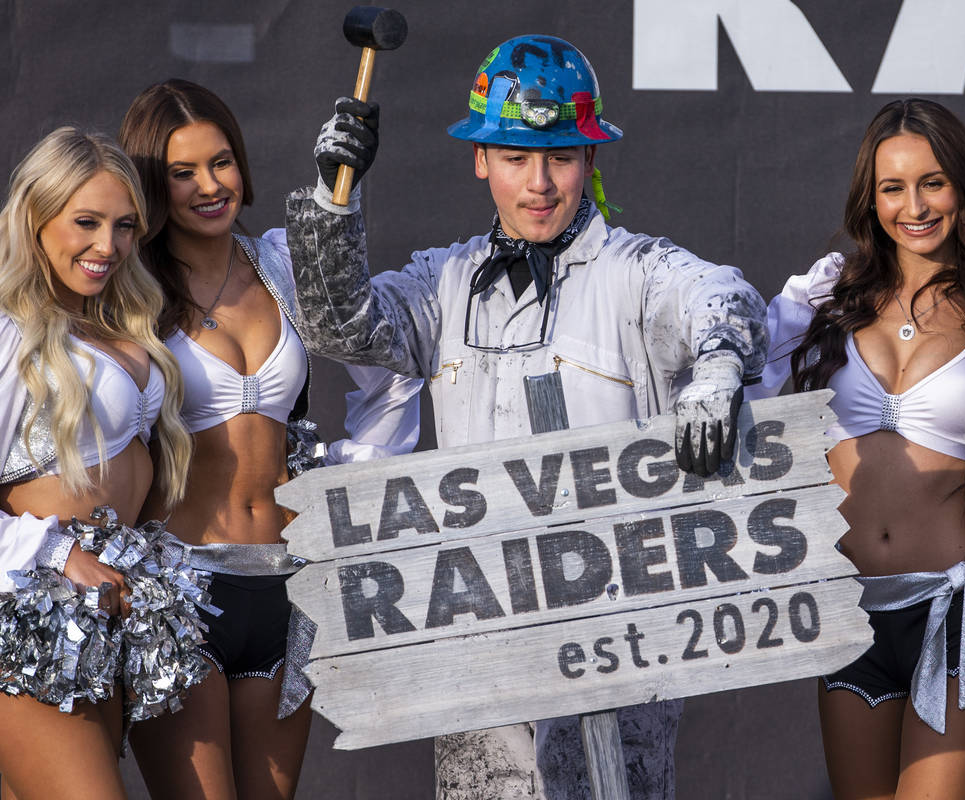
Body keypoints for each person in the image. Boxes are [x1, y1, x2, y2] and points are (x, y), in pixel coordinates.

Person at [283, 33, 767, 800]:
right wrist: (331, 202)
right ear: (481, 160)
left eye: (560, 158)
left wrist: (715, 367)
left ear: (590, 162)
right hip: (481, 628)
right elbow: (341, 327)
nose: (539, 183)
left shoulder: (635, 270)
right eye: (515, 157)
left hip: (620, 636)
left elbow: (726, 298)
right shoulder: (443, 280)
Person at [117, 78, 421, 800]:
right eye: (181, 173)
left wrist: (349, 476)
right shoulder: (127, 288)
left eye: (220, 162)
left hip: (291, 587)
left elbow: (387, 365)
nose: (208, 187)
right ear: (152, 186)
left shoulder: (283, 260)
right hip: (180, 592)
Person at [748, 98, 965, 798]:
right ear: (871, 198)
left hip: (957, 607)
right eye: (893, 187)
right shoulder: (826, 297)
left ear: (962, 185)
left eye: (933, 182)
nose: (915, 205)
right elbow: (739, 392)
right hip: (850, 612)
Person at [0, 127, 194, 800]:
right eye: (86, 222)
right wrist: (54, 554)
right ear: (34, 216)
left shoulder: (117, 324)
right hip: (34, 611)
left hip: (125, 612)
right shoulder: (7, 333)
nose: (107, 247)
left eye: (124, 226)